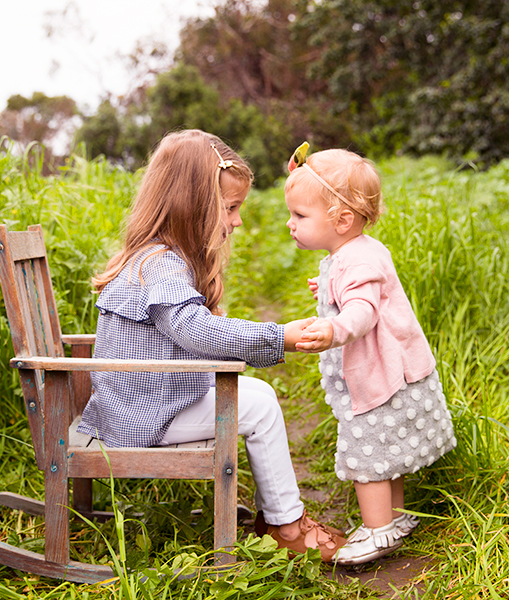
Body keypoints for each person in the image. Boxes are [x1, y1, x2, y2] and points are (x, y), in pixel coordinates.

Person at [76, 129, 346, 561]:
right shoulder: (159, 263)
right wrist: (280, 337)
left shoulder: (158, 255)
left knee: (259, 397)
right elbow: (197, 331)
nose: (237, 221)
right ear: (193, 204)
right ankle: (286, 526)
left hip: (148, 402)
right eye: (232, 208)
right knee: (259, 406)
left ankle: (278, 515)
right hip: (143, 416)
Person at [285, 146, 457, 566]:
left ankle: (379, 531)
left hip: (380, 378)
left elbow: (363, 310)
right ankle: (396, 518)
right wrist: (325, 287)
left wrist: (334, 327)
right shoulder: (352, 252)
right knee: (389, 448)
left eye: (299, 216)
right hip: (395, 373)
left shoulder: (357, 259)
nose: (290, 225)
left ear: (342, 220)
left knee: (369, 454)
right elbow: (355, 286)